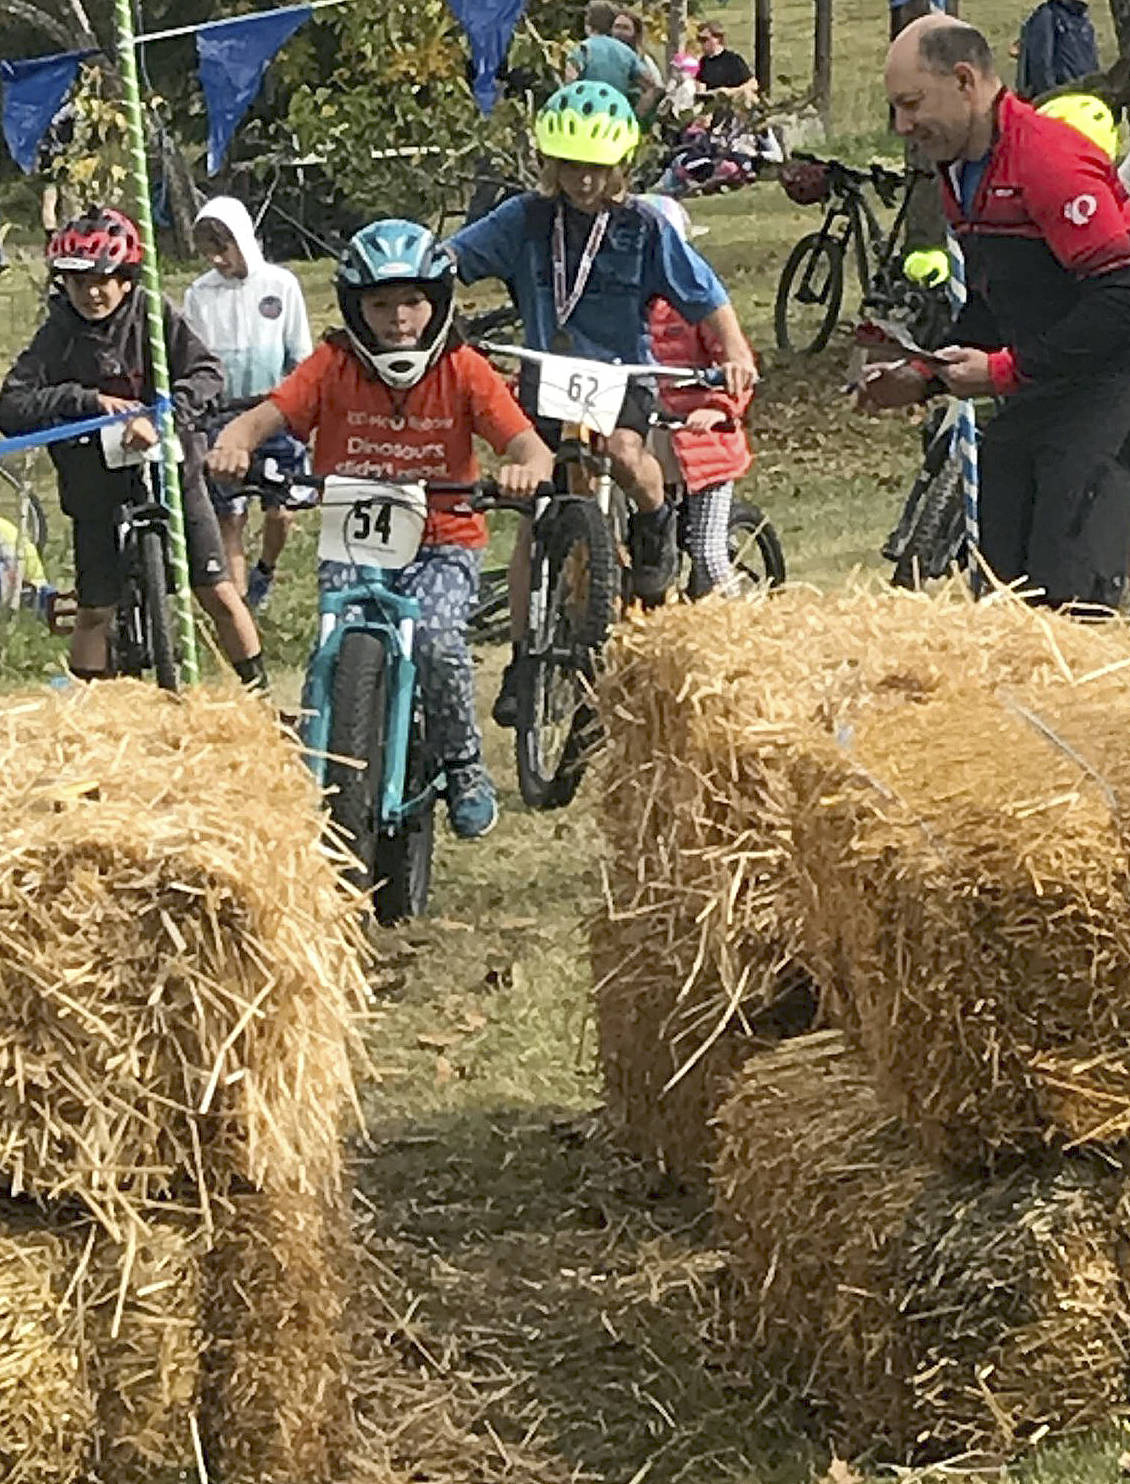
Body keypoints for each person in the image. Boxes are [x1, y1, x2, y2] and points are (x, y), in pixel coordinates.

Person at [205, 219, 555, 840]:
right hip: (353, 535)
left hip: (445, 539)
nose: (399, 319)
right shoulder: (332, 366)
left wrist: (526, 468)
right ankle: (310, 770)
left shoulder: (465, 370)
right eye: (381, 304)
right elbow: (270, 414)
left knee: (439, 641)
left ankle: (463, 764)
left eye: (414, 301)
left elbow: (527, 444)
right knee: (330, 644)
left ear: (439, 303)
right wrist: (235, 440)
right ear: (355, 308)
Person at [444, 81, 756, 724]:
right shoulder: (525, 219)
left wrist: (734, 350)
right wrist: (425, 281)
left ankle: (653, 529)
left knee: (624, 452)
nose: (583, 180)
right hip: (547, 377)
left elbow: (706, 295)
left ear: (618, 167)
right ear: (550, 166)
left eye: (595, 167)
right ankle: (525, 657)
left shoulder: (643, 227)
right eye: (570, 166)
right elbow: (456, 257)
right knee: (537, 508)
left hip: (622, 376)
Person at [862, 15, 1130, 609]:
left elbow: (1122, 295)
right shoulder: (961, 169)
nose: (903, 127)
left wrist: (1005, 371)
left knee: (1067, 603)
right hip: (1043, 389)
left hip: (1109, 393)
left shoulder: (1047, 161)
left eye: (911, 105)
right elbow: (996, 299)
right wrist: (924, 374)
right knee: (1005, 594)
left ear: (964, 80)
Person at [0, 207, 266, 686]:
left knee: (218, 591)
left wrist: (164, 415)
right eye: (79, 283)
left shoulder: (154, 314)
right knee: (94, 610)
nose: (93, 293)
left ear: (126, 279)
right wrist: (82, 400)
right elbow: (12, 404)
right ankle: (90, 711)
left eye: (105, 279)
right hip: (93, 482)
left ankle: (260, 695)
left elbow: (207, 374)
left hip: (170, 470)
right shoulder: (56, 332)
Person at [183, 197, 314, 610]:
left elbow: (301, 355)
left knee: (282, 511)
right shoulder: (199, 294)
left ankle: (266, 569)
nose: (218, 260)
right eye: (210, 253)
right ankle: (240, 609)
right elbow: (195, 355)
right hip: (223, 416)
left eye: (224, 248)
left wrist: (303, 408)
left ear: (244, 240)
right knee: (229, 515)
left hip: (275, 411)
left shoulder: (281, 285)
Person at [638, 194, 756, 598]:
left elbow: (738, 366)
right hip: (653, 440)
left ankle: (739, 619)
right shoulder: (629, 306)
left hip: (703, 445)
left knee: (707, 551)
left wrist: (716, 407)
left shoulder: (697, 309)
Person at [565, 0, 661, 116]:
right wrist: (636, 114)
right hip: (616, 115)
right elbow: (653, 85)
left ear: (587, 25)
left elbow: (570, 78)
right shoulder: (628, 53)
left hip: (586, 113)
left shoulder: (584, 48)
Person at [1016, 0, 1099, 100]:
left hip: (1084, 97)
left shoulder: (1082, 18)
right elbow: (1041, 65)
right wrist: (1053, 97)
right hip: (1060, 99)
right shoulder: (1048, 16)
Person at [695, 22, 757, 105]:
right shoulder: (703, 62)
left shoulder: (733, 59)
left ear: (718, 39)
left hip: (734, 103)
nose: (701, 44)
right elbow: (701, 87)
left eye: (704, 39)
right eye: (699, 39)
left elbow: (753, 84)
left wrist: (728, 92)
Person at [611, 11, 664, 91]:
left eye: (626, 28)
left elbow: (657, 88)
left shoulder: (644, 60)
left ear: (635, 33)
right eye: (617, 27)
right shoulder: (603, 56)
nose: (620, 32)